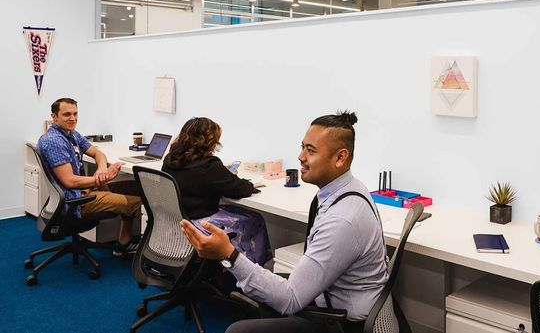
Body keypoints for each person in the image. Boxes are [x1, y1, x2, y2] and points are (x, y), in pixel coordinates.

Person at [180, 111, 387, 333]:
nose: (300, 156)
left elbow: (290, 299)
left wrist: (228, 255)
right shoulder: (350, 189)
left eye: (310, 150)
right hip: (327, 296)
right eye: (302, 147)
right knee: (258, 287)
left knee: (236, 331)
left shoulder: (342, 220)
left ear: (340, 158)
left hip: (343, 323)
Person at [37, 97, 142, 257]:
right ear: (54, 117)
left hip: (86, 190)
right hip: (77, 200)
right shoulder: (54, 141)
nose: (72, 118)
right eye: (67, 114)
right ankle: (151, 252)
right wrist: (103, 178)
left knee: (135, 187)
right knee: (140, 203)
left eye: (75, 114)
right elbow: (69, 181)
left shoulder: (71, 134)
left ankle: (123, 241)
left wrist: (101, 169)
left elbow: (97, 153)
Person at [162, 117, 271, 266]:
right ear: (209, 141)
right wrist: (248, 184)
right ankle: (252, 269)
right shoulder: (209, 165)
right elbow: (239, 189)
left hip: (177, 220)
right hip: (200, 222)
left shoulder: (170, 160)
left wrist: (221, 174)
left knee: (233, 210)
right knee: (255, 219)